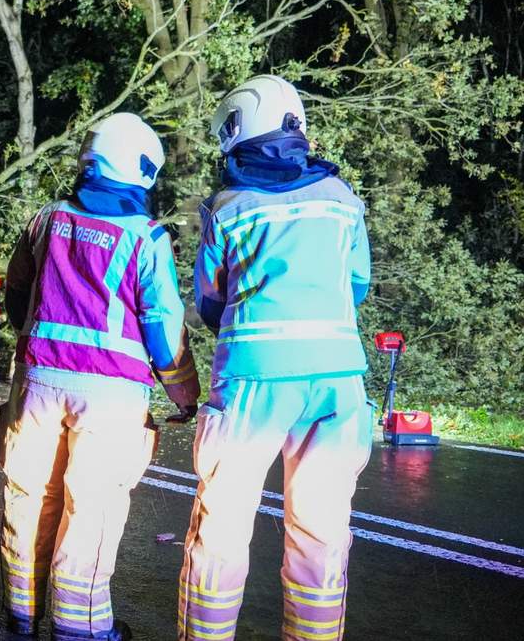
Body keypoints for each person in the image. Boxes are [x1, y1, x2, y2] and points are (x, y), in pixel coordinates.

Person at [178, 75, 372, 641]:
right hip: (336, 382)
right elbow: (356, 284)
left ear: (236, 131)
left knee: (223, 526)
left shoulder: (226, 206)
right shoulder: (343, 201)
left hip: (253, 381)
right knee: (321, 529)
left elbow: (211, 300)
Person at [2, 112, 200, 641]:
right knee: (89, 509)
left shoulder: (47, 219)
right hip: (110, 397)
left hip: (38, 383)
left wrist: (31, 344)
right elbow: (161, 329)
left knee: (30, 498)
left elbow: (16, 294)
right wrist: (184, 394)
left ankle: (22, 616)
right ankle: (81, 628)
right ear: (138, 171)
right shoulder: (146, 237)